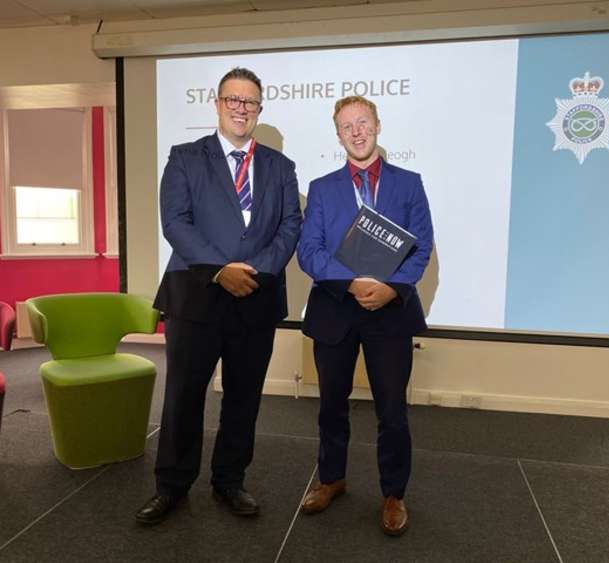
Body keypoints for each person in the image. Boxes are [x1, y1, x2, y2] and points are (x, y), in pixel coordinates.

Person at [135, 68, 301, 525]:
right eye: (234, 99)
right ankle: (171, 485)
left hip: (257, 296)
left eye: (250, 102)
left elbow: (291, 227)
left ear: (259, 109)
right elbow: (176, 222)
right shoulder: (186, 157)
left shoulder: (281, 167)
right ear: (218, 103)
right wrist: (220, 270)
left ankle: (229, 480)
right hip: (196, 296)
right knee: (184, 396)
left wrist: (257, 270)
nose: (241, 108)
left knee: (243, 398)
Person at [297, 95, 433, 536]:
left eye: (363, 122)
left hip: (391, 314)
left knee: (391, 412)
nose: (356, 131)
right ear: (337, 135)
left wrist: (391, 287)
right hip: (335, 311)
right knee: (331, 407)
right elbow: (309, 252)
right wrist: (352, 283)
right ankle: (331, 478)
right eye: (346, 126)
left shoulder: (409, 183)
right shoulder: (322, 188)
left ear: (377, 125)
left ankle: (394, 493)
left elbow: (422, 246)